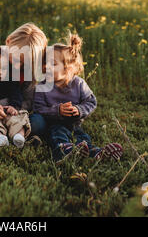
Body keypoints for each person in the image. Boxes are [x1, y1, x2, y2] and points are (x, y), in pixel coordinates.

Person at [33, 32, 123, 165]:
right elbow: (38, 109)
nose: (46, 67)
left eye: (52, 63)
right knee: (58, 134)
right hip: (53, 124)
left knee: (82, 137)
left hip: (74, 124)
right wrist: (57, 111)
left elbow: (91, 101)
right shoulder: (42, 86)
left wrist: (79, 109)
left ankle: (97, 153)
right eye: (45, 62)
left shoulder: (78, 84)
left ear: (68, 67)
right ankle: (64, 153)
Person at [0, 23, 48, 146]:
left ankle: (4, 134)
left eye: (25, 63)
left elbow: (28, 101)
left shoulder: (29, 71)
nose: (17, 66)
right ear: (8, 41)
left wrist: (10, 107)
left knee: (39, 122)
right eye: (16, 60)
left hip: (13, 113)